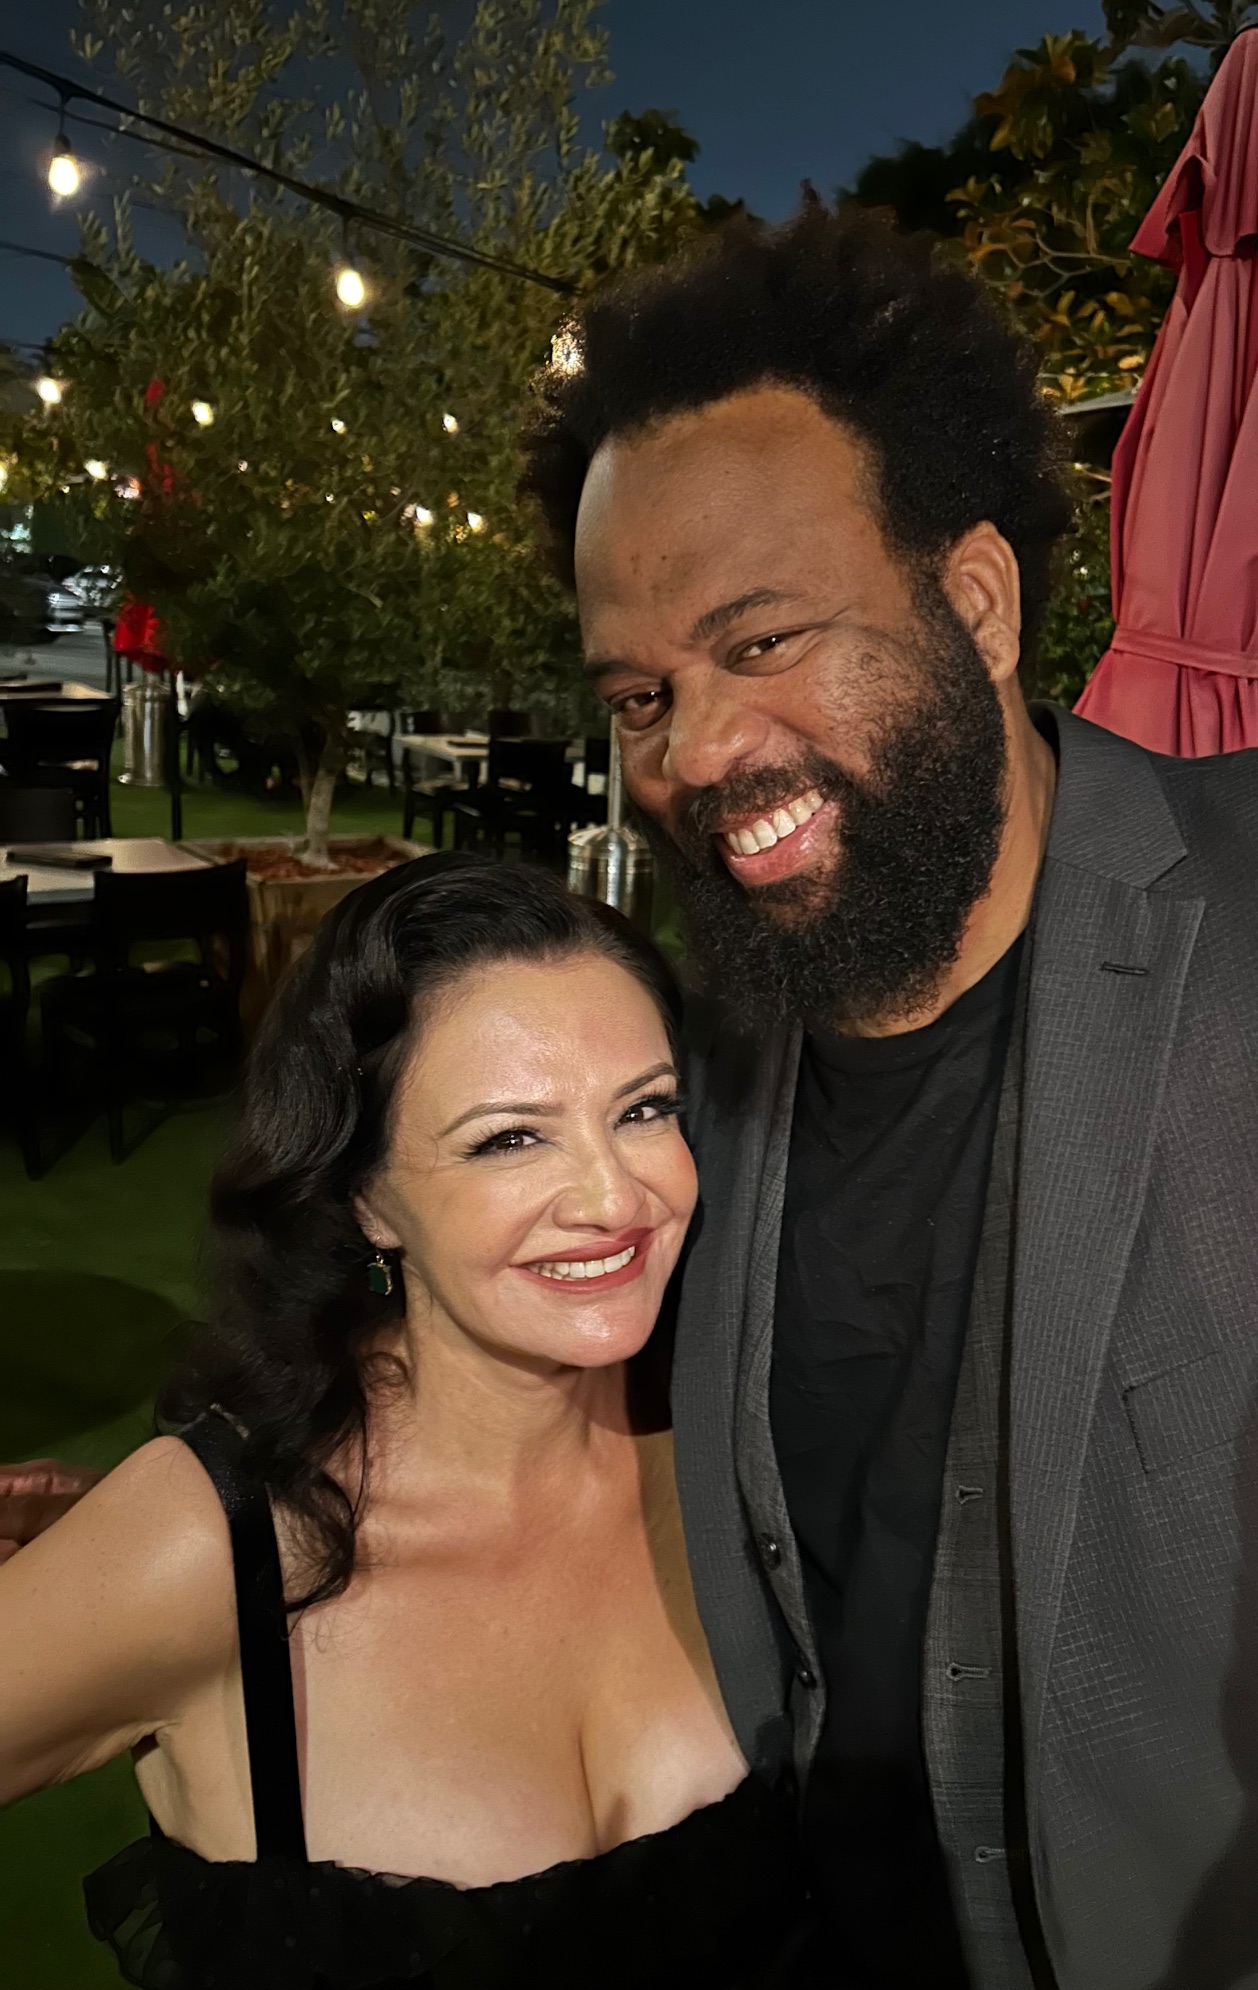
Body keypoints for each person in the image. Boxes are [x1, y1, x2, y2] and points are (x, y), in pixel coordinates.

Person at [515, 203, 1258, 1990]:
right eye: (640, 694)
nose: (694, 754)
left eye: (762, 640)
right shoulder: (683, 1065)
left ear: (974, 603)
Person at [0, 854, 810, 1989]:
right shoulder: (209, 1550)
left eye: (644, 1109)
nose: (614, 1198)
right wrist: (125, 1561)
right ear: (365, 1194)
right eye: (509, 1137)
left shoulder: (739, 1450)